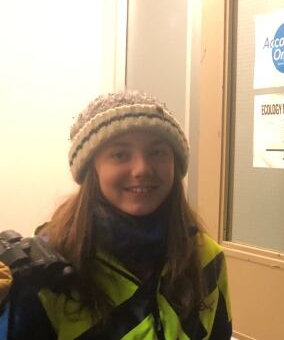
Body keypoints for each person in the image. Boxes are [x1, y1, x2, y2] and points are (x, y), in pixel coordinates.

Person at [8, 91, 232, 339]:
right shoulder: (49, 273)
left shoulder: (205, 257)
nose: (142, 169)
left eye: (157, 152)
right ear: (92, 169)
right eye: (120, 154)